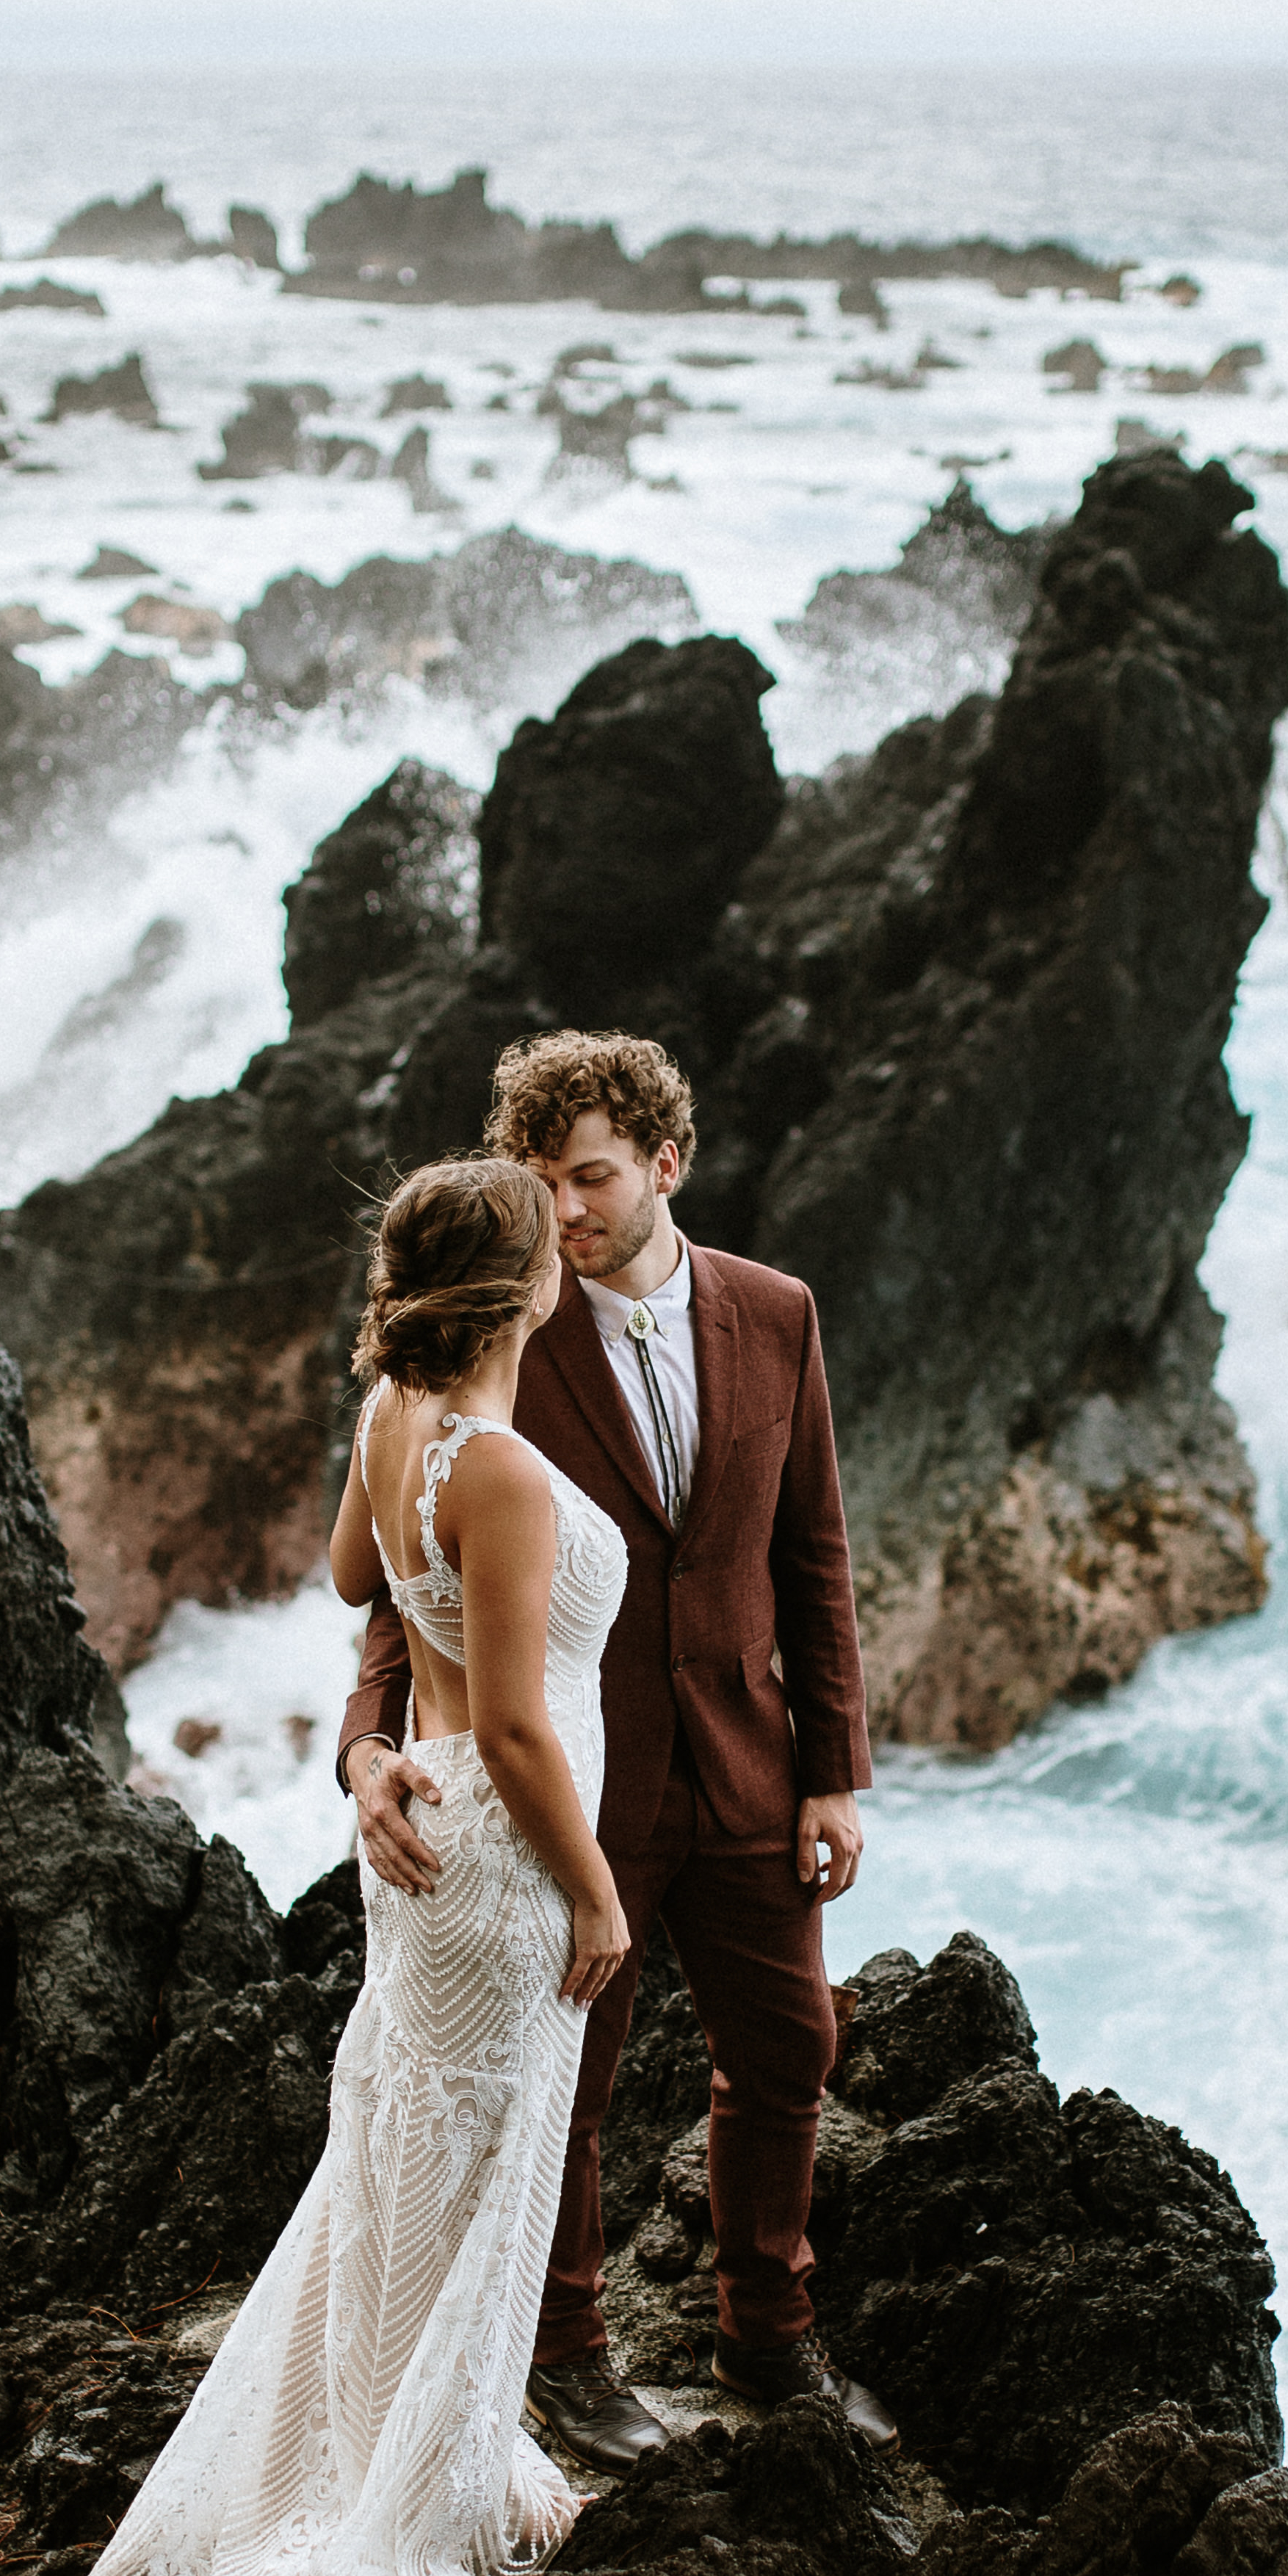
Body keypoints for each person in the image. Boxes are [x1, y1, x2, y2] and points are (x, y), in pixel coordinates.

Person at [49, 1154, 630, 2576]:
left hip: (416, 1822)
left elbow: (351, 1574)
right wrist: (592, 1888)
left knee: (401, 2138)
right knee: (471, 2147)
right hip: (501, 1848)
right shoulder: (498, 1468)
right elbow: (516, 1721)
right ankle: (396, 2483)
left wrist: (379, 1748)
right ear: (523, 1291)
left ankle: (400, 2429)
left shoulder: (390, 1420)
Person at [337, 1030, 891, 2466]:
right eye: (540, 1183)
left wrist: (832, 1763)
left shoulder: (776, 1313)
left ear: (665, 1161)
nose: (562, 1213)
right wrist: (365, 1742)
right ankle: (566, 2354)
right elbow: (421, 1577)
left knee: (790, 2044)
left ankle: (766, 2328)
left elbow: (811, 1547)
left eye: (589, 1178)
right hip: (568, 1786)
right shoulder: (502, 1336)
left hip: (749, 1762)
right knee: (563, 2085)